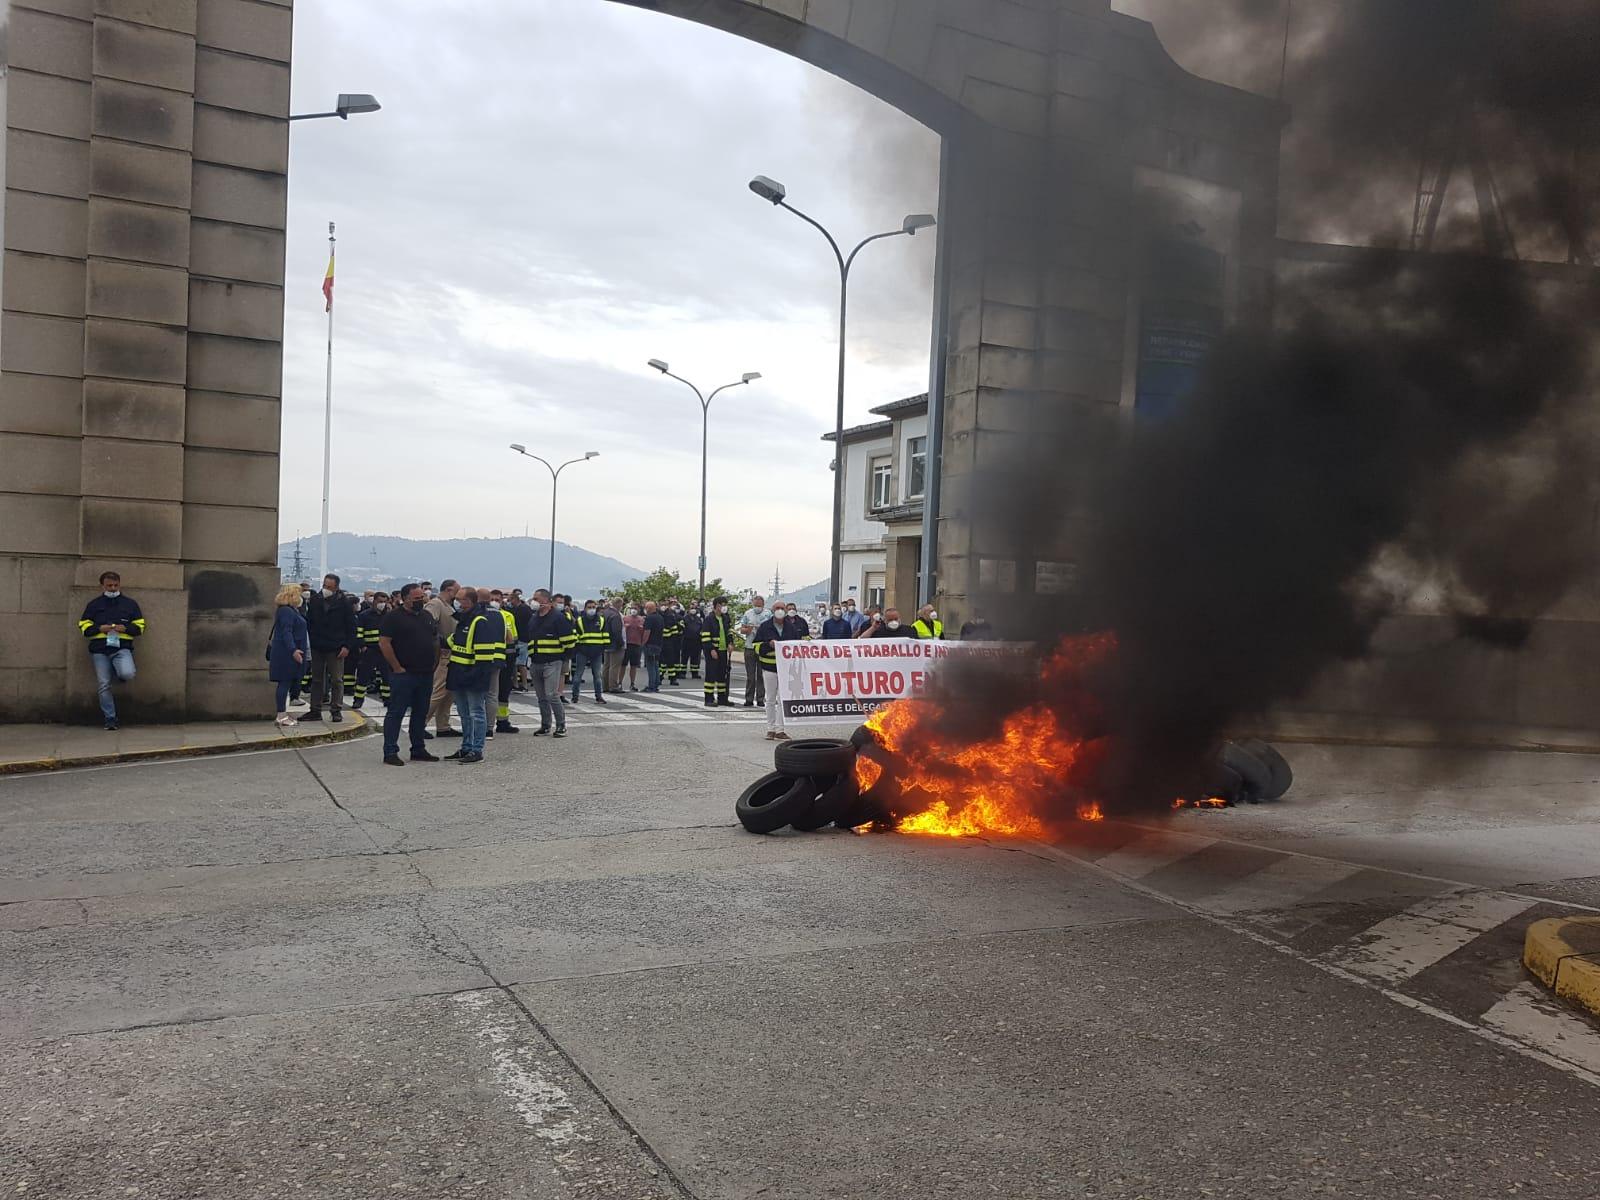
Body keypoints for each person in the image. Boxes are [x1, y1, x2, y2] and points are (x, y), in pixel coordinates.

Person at [378, 583, 442, 766]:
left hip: (425, 673)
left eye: (422, 598)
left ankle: (418, 749)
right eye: (416, 599)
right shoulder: (393, 618)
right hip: (404, 674)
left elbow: (435, 639)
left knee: (420, 713)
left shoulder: (426, 616)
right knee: (396, 712)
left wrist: (434, 663)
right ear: (405, 598)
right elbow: (384, 643)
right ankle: (390, 751)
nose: (420, 601)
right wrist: (396, 667)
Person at [77, 570, 146, 730]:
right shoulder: (94, 605)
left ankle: (119, 673)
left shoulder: (130, 604)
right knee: (104, 684)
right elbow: (83, 627)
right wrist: (99, 628)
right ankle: (110, 719)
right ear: (102, 586)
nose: (113, 588)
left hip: (122, 648)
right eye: (109, 585)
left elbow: (140, 627)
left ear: (119, 584)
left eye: (115, 585)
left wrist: (126, 628)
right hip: (100, 649)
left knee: (127, 673)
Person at [443, 587, 500, 763]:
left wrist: (473, 676)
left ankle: (477, 750)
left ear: (471, 601)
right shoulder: (464, 620)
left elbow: (484, 656)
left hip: (473, 676)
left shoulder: (479, 622)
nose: (457, 602)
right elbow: (453, 643)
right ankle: (466, 747)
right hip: (459, 674)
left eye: (461, 600)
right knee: (464, 714)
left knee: (476, 713)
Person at [303, 573, 357, 722]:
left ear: (336, 588)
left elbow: (351, 627)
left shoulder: (344, 603)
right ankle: (315, 710)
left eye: (329, 587)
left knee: (337, 680)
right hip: (318, 646)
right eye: (325, 586)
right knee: (317, 680)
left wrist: (347, 646)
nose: (326, 589)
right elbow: (310, 623)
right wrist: (312, 641)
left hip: (336, 647)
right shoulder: (315, 600)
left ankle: (336, 710)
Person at [523, 588, 573, 736]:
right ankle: (545, 725)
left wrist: (563, 658)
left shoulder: (558, 618)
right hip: (536, 662)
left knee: (552, 694)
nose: (534, 602)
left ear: (546, 601)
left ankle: (561, 725)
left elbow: (569, 642)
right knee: (541, 697)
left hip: (552, 661)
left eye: (536, 599)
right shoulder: (534, 617)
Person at [267, 583, 309, 728]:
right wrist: (293, 650)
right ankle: (281, 715)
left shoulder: (290, 610)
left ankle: (282, 714)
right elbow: (287, 631)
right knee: (284, 682)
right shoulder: (286, 611)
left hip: (289, 651)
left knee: (287, 682)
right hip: (286, 654)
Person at [751, 606, 793, 740]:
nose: (780, 610)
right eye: (777, 608)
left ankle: (780, 730)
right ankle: (770, 729)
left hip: (786, 668)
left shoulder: (791, 627)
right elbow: (755, 645)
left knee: (782, 699)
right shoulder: (765, 626)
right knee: (770, 699)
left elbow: (798, 644)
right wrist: (768, 645)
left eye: (782, 608)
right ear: (773, 610)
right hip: (769, 667)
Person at [425, 580, 460, 738]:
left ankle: (443, 726)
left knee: (449, 692)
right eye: (457, 591)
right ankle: (420, 724)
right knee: (439, 691)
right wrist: (441, 642)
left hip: (453, 653)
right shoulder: (436, 604)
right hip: (444, 652)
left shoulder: (448, 605)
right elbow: (428, 624)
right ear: (449, 589)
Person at [487, 589, 521, 735]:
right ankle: (487, 723)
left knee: (504, 690)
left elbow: (513, 638)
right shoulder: (484, 615)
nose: (495, 602)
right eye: (492, 599)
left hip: (506, 659)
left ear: (502, 601)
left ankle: (503, 721)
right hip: (489, 658)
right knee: (489, 692)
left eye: (497, 599)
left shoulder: (508, 616)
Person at [352, 592, 391, 710]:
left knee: (387, 677)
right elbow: (358, 632)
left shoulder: (389, 616)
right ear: (374, 601)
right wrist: (362, 646)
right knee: (363, 676)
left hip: (384, 650)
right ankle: (358, 700)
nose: (382, 604)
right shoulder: (364, 615)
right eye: (380, 601)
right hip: (369, 650)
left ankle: (387, 700)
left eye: (384, 602)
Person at [699, 596, 736, 707]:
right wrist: (711, 649)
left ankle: (722, 698)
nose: (724, 607)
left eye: (725, 605)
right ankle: (709, 698)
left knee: (722, 675)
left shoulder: (725, 618)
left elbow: (729, 632)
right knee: (711, 675)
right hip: (713, 651)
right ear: (716, 606)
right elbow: (705, 636)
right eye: (721, 605)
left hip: (723, 650)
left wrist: (730, 643)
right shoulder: (709, 619)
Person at [571, 599, 609, 703]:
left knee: (597, 676)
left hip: (597, 652)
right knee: (578, 675)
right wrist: (578, 648)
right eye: (589, 607)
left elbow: (605, 635)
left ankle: (599, 696)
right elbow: (575, 635)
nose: (592, 609)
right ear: (585, 608)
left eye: (593, 607)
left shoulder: (601, 620)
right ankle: (575, 696)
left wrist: (603, 648)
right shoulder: (579, 621)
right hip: (582, 651)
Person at [738, 595, 769, 707]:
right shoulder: (748, 613)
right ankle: (749, 698)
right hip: (749, 647)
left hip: (762, 648)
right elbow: (742, 629)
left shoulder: (767, 614)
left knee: (761, 675)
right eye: (755, 605)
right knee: (750, 676)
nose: (757, 607)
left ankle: (760, 698)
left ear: (763, 604)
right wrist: (748, 629)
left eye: (759, 605)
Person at [510, 590, 535, 692]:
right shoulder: (517, 609)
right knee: (515, 664)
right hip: (517, 639)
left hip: (522, 639)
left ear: (515, 599)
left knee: (521, 663)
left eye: (510, 600)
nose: (509, 602)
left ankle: (523, 685)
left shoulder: (523, 609)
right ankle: (516, 684)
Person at [601, 597, 625, 692]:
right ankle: (613, 686)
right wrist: (621, 643)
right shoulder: (615, 615)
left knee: (606, 665)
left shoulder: (605, 612)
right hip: (615, 644)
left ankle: (605, 685)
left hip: (606, 642)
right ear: (618, 604)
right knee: (614, 666)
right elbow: (616, 631)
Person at [640, 600, 665, 692]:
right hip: (658, 644)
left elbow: (647, 632)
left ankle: (651, 686)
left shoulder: (649, 618)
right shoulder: (660, 617)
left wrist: (643, 643)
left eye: (646, 608)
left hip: (650, 644)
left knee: (650, 666)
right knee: (655, 665)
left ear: (648, 608)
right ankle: (656, 684)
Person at [622, 603, 647, 691]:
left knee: (634, 665)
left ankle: (632, 684)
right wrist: (625, 627)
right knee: (623, 665)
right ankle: (619, 683)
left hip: (637, 645)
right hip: (626, 645)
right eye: (632, 608)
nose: (633, 610)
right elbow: (621, 630)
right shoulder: (625, 618)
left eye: (635, 608)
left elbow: (645, 632)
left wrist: (641, 630)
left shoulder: (641, 619)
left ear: (639, 610)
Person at [660, 598, 685, 686]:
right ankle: (660, 677)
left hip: (671, 641)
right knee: (662, 661)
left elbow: (678, 627)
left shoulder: (673, 614)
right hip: (662, 641)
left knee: (671, 661)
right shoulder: (661, 613)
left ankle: (672, 678)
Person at [683, 602, 703, 680]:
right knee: (685, 657)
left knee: (695, 658)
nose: (693, 610)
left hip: (696, 641)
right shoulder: (685, 618)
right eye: (691, 608)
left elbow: (702, 628)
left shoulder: (698, 619)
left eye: (694, 608)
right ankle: (682, 673)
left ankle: (695, 673)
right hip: (686, 641)